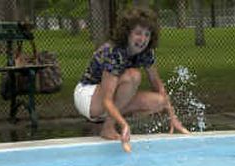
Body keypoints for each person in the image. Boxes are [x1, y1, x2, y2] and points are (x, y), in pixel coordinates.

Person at [74, 7, 189, 152]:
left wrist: (173, 118)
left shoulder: (146, 52)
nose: (143, 39)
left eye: (147, 35)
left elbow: (158, 85)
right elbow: (107, 99)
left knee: (160, 101)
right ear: (127, 33)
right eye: (138, 33)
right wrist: (123, 124)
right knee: (133, 76)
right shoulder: (113, 52)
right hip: (88, 97)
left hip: (107, 101)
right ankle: (108, 128)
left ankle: (109, 120)